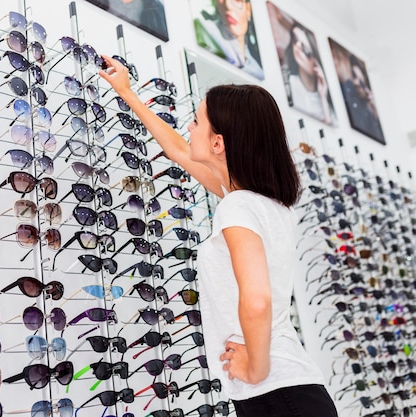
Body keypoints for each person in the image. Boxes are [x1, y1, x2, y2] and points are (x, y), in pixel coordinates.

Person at [98, 56, 339, 417]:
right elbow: (180, 151)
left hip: (273, 393)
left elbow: (257, 299)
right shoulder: (264, 203)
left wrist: (256, 368)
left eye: (196, 121)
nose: (190, 127)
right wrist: (128, 94)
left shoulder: (237, 208)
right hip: (290, 390)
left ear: (218, 144)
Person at [193, 0, 264, 80]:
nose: (228, 6)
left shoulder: (258, 71)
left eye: (237, 0)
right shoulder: (204, 29)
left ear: (248, 9)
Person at [282, 22, 335, 125]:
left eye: (305, 49)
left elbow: (331, 127)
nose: (297, 47)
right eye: (295, 40)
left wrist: (323, 97)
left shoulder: (326, 103)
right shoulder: (288, 83)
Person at [339, 56, 385, 144]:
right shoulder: (346, 88)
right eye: (354, 75)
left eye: (361, 83)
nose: (356, 83)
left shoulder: (368, 113)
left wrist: (373, 109)